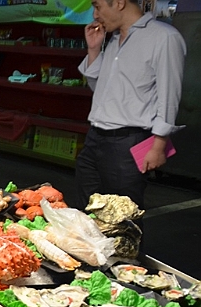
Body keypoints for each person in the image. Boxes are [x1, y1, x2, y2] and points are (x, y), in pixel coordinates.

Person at [75, 0, 185, 209]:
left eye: (98, 7)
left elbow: (170, 95)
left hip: (128, 143)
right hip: (94, 139)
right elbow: (102, 91)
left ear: (119, 3)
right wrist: (94, 50)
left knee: (123, 216)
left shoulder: (164, 37)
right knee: (87, 213)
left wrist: (159, 145)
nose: (95, 15)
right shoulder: (115, 39)